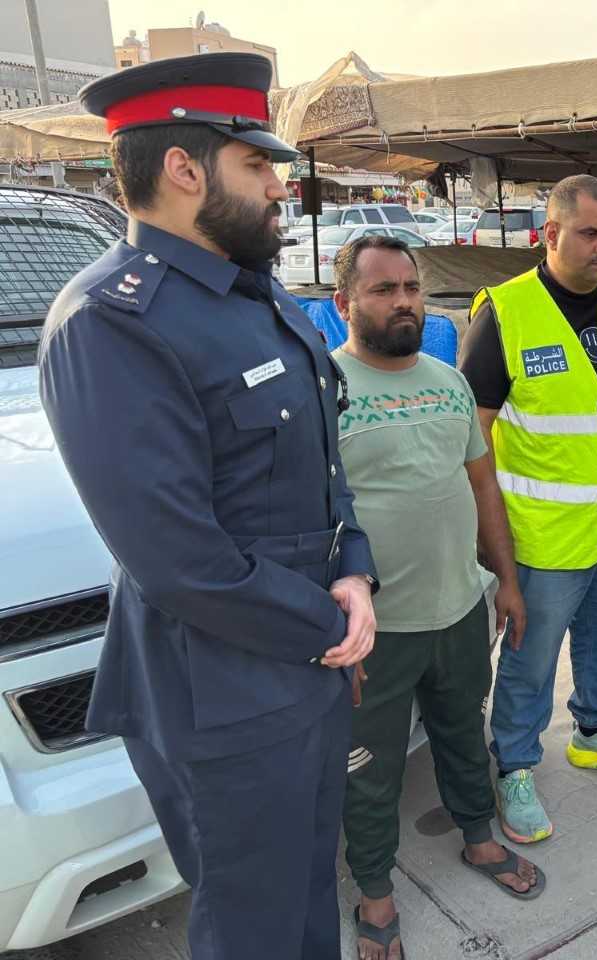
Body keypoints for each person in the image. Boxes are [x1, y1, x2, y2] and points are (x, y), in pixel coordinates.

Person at [38, 53, 378, 960]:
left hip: (306, 663)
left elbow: (322, 464)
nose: (280, 185)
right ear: (185, 169)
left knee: (310, 896)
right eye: (256, 164)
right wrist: (332, 624)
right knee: (254, 927)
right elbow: (178, 559)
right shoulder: (112, 321)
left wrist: (355, 571)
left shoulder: (254, 295)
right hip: (224, 698)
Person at [330, 235, 545, 960]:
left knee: (461, 732)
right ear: (344, 303)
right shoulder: (323, 390)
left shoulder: (450, 382)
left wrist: (505, 581)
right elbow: (308, 518)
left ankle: (479, 838)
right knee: (371, 766)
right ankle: (375, 891)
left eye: (411, 288)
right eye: (383, 289)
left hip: (458, 609)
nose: (404, 302)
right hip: (375, 628)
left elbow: (483, 486)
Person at [458, 174, 597, 844]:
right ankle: (515, 763)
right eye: (588, 234)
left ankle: (594, 728)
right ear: (550, 233)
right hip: (543, 534)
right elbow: (474, 436)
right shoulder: (505, 312)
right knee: (531, 656)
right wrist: (485, 534)